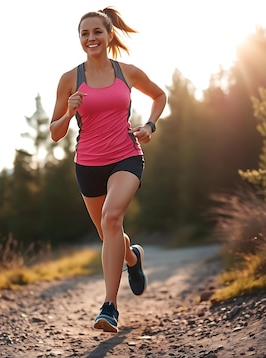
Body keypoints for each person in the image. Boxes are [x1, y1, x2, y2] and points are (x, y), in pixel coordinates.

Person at [49, 7, 167, 333]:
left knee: (111, 219)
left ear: (109, 34)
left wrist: (150, 125)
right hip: (87, 164)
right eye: (84, 34)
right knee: (109, 235)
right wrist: (68, 110)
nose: (91, 38)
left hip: (126, 156)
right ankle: (132, 258)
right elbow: (55, 131)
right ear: (80, 40)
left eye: (97, 32)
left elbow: (159, 95)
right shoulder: (70, 80)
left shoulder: (127, 72)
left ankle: (109, 307)